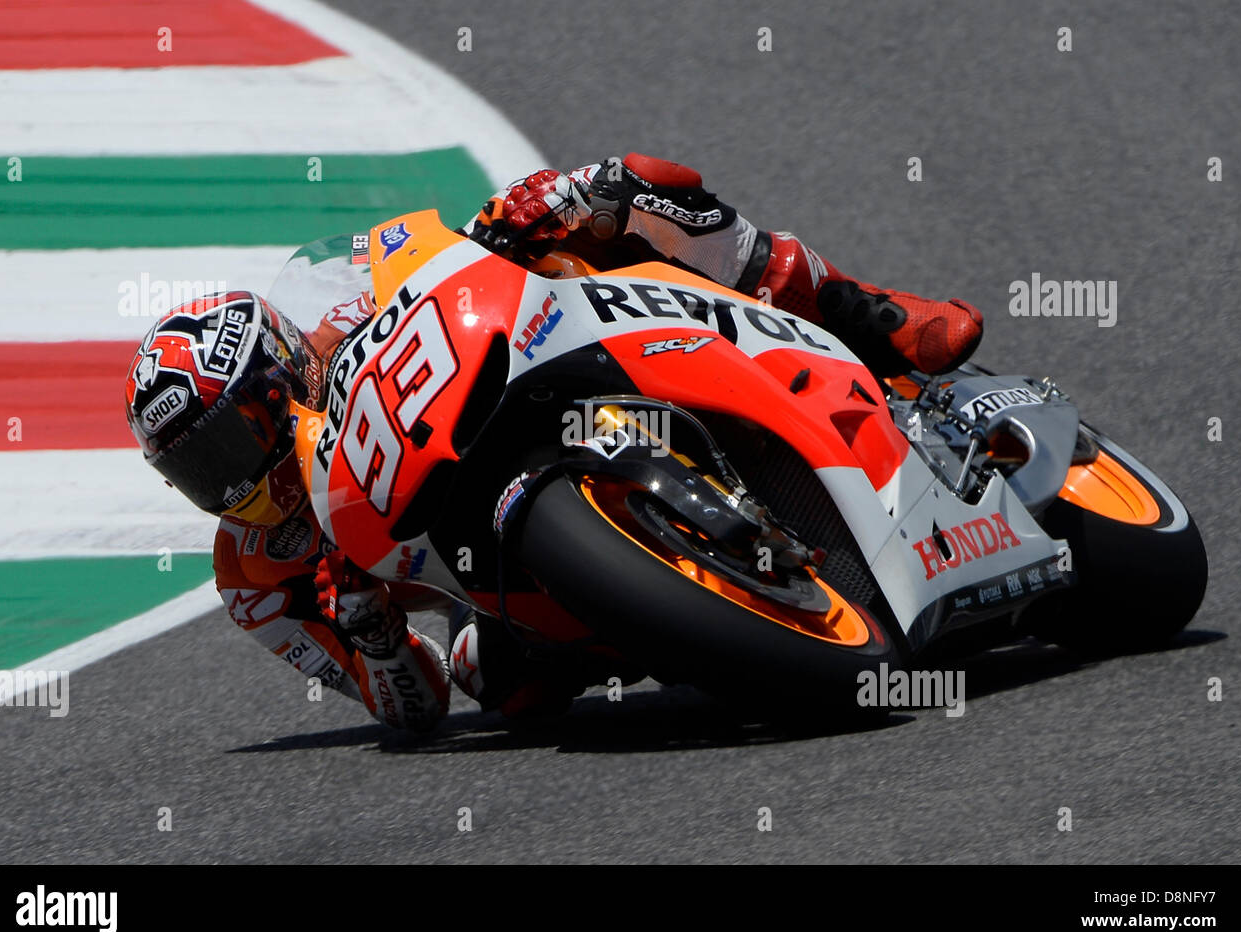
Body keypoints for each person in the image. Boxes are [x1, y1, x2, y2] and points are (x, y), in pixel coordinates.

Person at [124, 153, 983, 732]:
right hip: (476, 577)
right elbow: (409, 709)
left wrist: (524, 212)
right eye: (199, 472)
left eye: (229, 441)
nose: (229, 480)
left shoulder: (334, 310)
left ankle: (863, 312)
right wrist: (373, 634)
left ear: (276, 377)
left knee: (633, 184)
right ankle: (675, 607)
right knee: (501, 689)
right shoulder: (256, 577)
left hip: (518, 368)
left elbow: (432, 258)